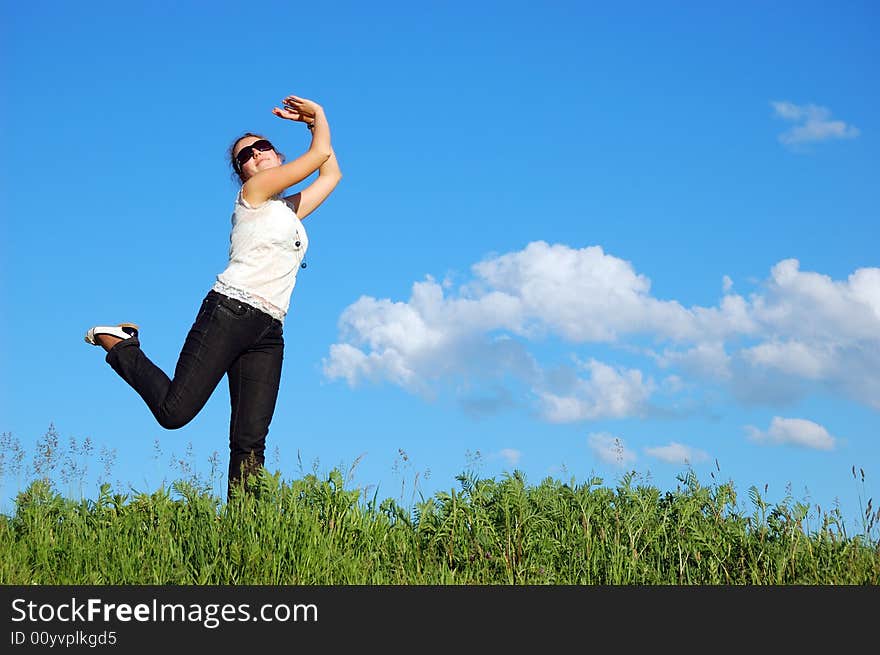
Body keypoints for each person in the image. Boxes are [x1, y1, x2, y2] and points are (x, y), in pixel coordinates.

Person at [84, 94, 341, 500]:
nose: (256, 155)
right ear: (242, 173)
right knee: (174, 412)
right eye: (246, 156)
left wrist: (311, 126)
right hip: (229, 312)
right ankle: (120, 344)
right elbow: (320, 155)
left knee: (250, 439)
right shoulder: (254, 194)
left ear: (277, 153)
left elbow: (330, 175)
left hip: (269, 329)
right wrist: (320, 118)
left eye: (263, 147)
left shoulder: (287, 211)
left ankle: (245, 532)